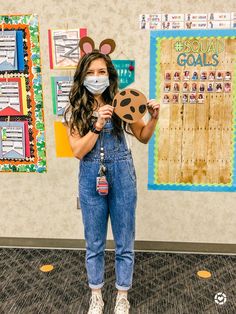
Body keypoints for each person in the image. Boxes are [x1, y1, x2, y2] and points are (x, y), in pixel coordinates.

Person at [63, 39, 160, 314]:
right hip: (90, 177)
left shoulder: (123, 103)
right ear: (82, 77)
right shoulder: (75, 111)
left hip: (122, 176)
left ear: (110, 75)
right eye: (91, 72)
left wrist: (153, 118)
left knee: (124, 240)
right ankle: (96, 294)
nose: (97, 77)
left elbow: (142, 137)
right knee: (93, 242)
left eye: (102, 72)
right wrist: (97, 124)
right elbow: (78, 151)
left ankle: (122, 295)